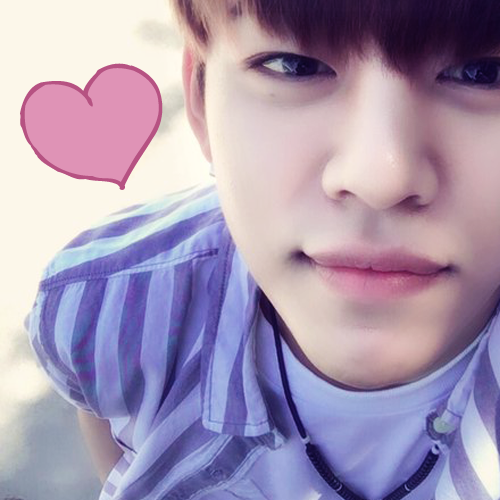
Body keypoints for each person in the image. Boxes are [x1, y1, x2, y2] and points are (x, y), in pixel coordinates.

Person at [25, 1, 500, 499]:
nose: (379, 179)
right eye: (295, 66)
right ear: (200, 99)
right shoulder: (114, 312)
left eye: (483, 74)